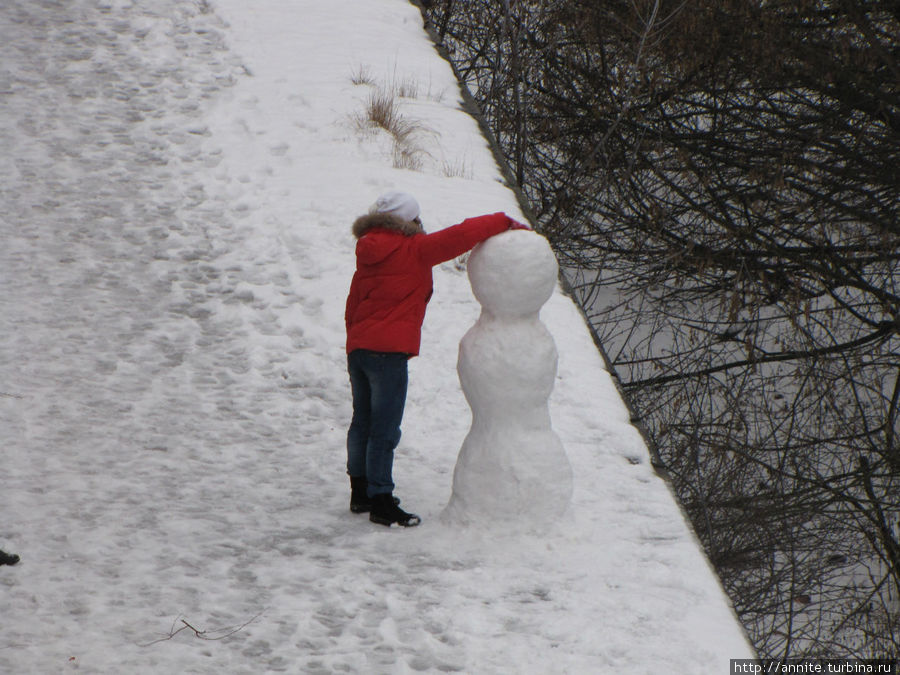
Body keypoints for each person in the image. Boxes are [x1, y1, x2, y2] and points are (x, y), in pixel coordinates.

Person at [345, 191, 528, 527]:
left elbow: (353, 303)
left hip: (359, 350)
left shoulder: (368, 252)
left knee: (363, 422)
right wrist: (504, 221)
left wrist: (355, 343)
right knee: (384, 429)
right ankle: (381, 500)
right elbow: (460, 235)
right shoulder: (413, 249)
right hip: (388, 354)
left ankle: (361, 493)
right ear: (408, 220)